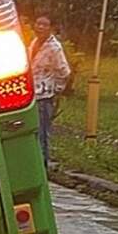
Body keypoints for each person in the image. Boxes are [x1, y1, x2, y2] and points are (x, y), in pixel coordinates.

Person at [28, 16, 71, 167]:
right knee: (33, 131)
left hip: (44, 95)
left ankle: (43, 164)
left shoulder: (54, 47)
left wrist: (56, 89)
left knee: (42, 132)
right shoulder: (34, 43)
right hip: (32, 93)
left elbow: (64, 71)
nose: (40, 27)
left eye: (44, 24)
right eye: (38, 23)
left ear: (50, 27)